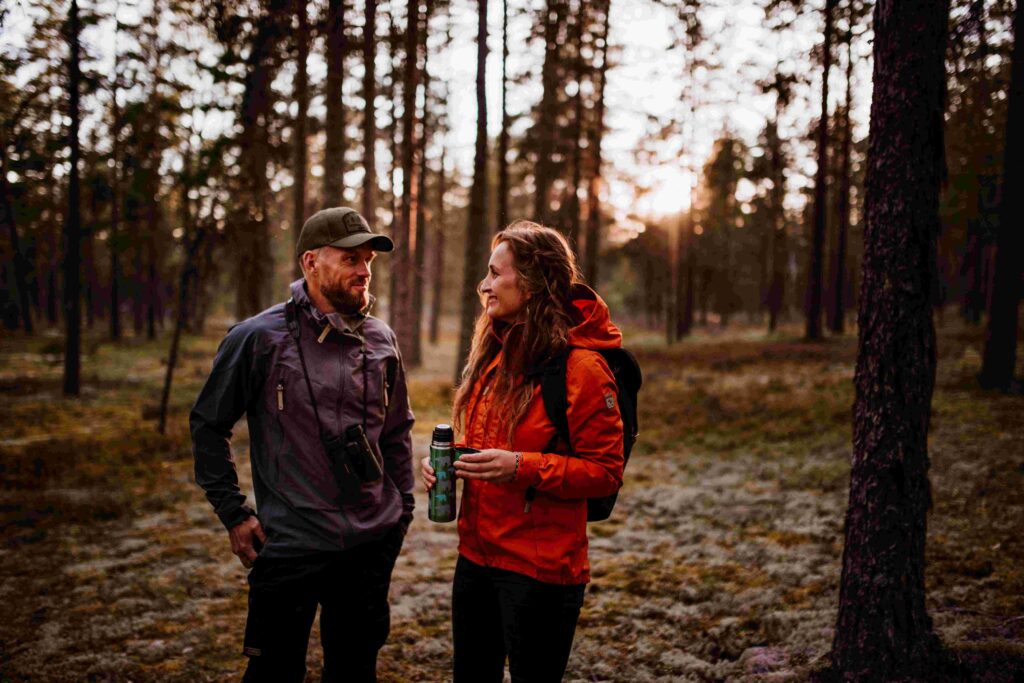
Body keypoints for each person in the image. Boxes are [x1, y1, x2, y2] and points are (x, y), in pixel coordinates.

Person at [191, 207, 415, 683]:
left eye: (368, 261)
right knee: (272, 672)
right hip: (288, 544)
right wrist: (234, 513)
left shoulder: (381, 339)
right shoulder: (257, 338)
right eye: (350, 258)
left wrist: (403, 510)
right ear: (310, 262)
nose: (363, 270)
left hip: (369, 544)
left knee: (356, 670)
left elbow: (397, 431)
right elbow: (208, 425)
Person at [421, 221, 625, 682]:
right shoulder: (494, 352)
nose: (484, 285)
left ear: (532, 281)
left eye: (496, 274)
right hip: (475, 557)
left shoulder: (582, 368)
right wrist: (447, 464)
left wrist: (521, 467)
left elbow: (605, 472)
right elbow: (488, 441)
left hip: (541, 570)